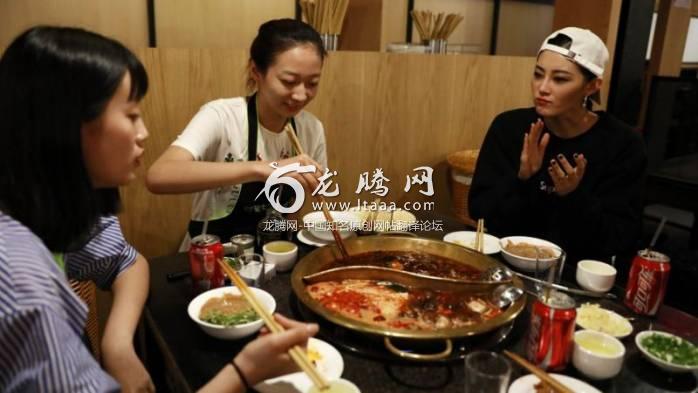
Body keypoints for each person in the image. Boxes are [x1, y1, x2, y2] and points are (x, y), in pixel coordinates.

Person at [0, 26, 318, 393]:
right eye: (132, 115)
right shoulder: (21, 285)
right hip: (207, 270)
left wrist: (118, 345)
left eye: (312, 83)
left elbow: (124, 260)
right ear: (66, 126)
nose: (144, 133)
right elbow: (161, 174)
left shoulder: (53, 216)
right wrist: (244, 372)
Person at [468, 27, 647, 274]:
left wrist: (575, 196)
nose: (543, 88)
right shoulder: (509, 127)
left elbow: (619, 238)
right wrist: (522, 179)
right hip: (505, 266)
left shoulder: (622, 144)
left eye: (560, 79)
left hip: (575, 274)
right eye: (538, 74)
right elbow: (480, 212)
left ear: (592, 86)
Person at [147, 18, 328, 245]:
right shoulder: (221, 116)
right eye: (289, 81)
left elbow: (294, 207)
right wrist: (260, 169)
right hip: (213, 258)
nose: (301, 95)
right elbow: (158, 176)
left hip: (275, 253)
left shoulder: (311, 128)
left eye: (312, 83)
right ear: (256, 71)